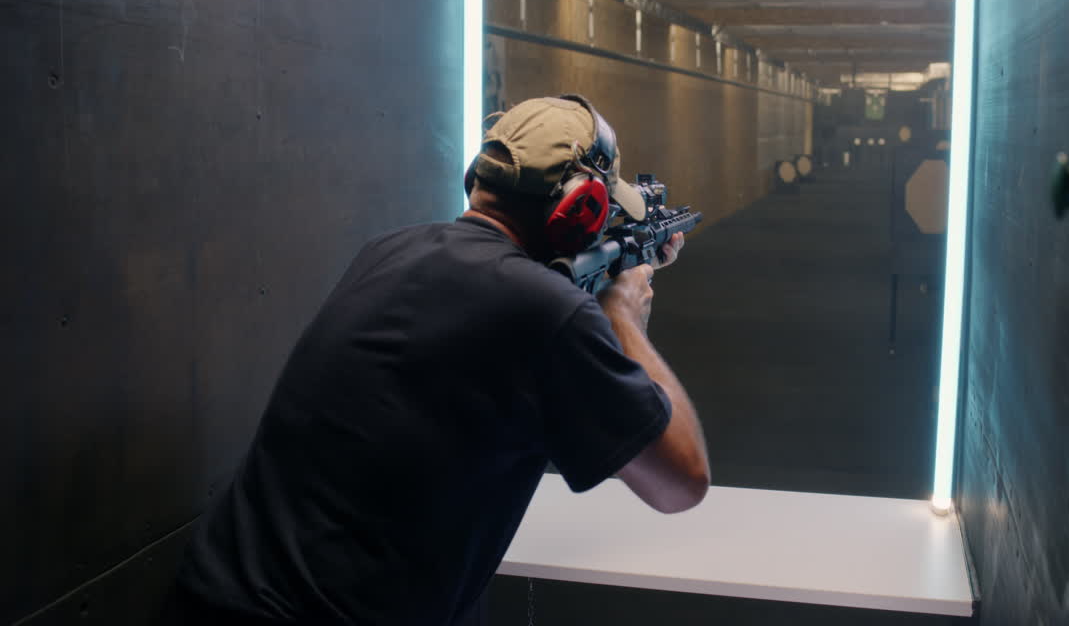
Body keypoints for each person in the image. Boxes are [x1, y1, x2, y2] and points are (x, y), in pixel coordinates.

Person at [158, 95, 710, 625]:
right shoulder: (547, 312)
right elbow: (680, 482)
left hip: (213, 593)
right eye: (602, 213)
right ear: (578, 207)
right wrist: (624, 316)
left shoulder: (389, 250)